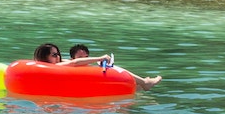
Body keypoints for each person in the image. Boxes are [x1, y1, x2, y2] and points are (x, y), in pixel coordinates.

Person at [34, 43, 163, 91]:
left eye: (58, 54)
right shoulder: (54, 67)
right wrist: (100, 58)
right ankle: (145, 83)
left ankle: (142, 84)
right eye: (54, 54)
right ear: (45, 57)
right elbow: (73, 63)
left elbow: (72, 62)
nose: (58, 57)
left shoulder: (57, 65)